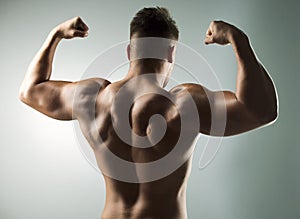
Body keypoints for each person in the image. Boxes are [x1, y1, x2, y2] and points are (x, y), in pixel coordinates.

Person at [19, 7, 278, 219]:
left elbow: (30, 90)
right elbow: (261, 111)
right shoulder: (184, 104)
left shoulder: (91, 97)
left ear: (130, 52)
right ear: (171, 53)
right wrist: (238, 39)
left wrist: (55, 35)